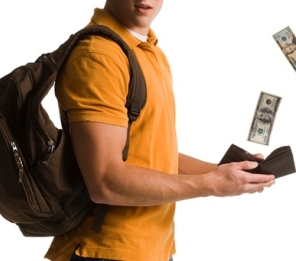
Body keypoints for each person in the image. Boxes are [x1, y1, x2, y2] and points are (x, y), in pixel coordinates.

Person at [45, 1, 275, 260]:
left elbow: (154, 155)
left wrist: (227, 172)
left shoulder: (149, 51)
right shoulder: (99, 55)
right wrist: (210, 184)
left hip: (152, 248)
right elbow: (105, 181)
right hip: (105, 249)